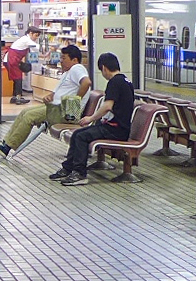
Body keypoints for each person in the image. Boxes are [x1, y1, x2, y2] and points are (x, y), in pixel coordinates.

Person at [0, 44, 88, 157]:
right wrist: (51, 96)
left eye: (64, 58)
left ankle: (7, 148)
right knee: (24, 112)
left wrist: (73, 104)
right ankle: (5, 143)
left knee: (29, 116)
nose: (61, 61)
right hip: (56, 107)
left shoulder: (77, 68)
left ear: (74, 59)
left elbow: (86, 82)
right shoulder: (68, 72)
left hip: (64, 112)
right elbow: (62, 90)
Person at [56, 53, 136, 186]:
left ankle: (80, 173)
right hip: (117, 127)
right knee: (77, 134)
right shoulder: (125, 80)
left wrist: (90, 118)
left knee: (81, 136)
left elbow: (107, 106)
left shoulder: (115, 82)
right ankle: (68, 168)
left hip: (115, 129)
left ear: (104, 68)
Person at [3, 32, 35, 102]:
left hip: (10, 60)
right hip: (12, 60)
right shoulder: (26, 39)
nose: (36, 37)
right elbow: (36, 46)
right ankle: (18, 98)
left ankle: (15, 97)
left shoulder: (23, 40)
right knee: (18, 79)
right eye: (36, 35)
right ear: (31, 33)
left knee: (16, 79)